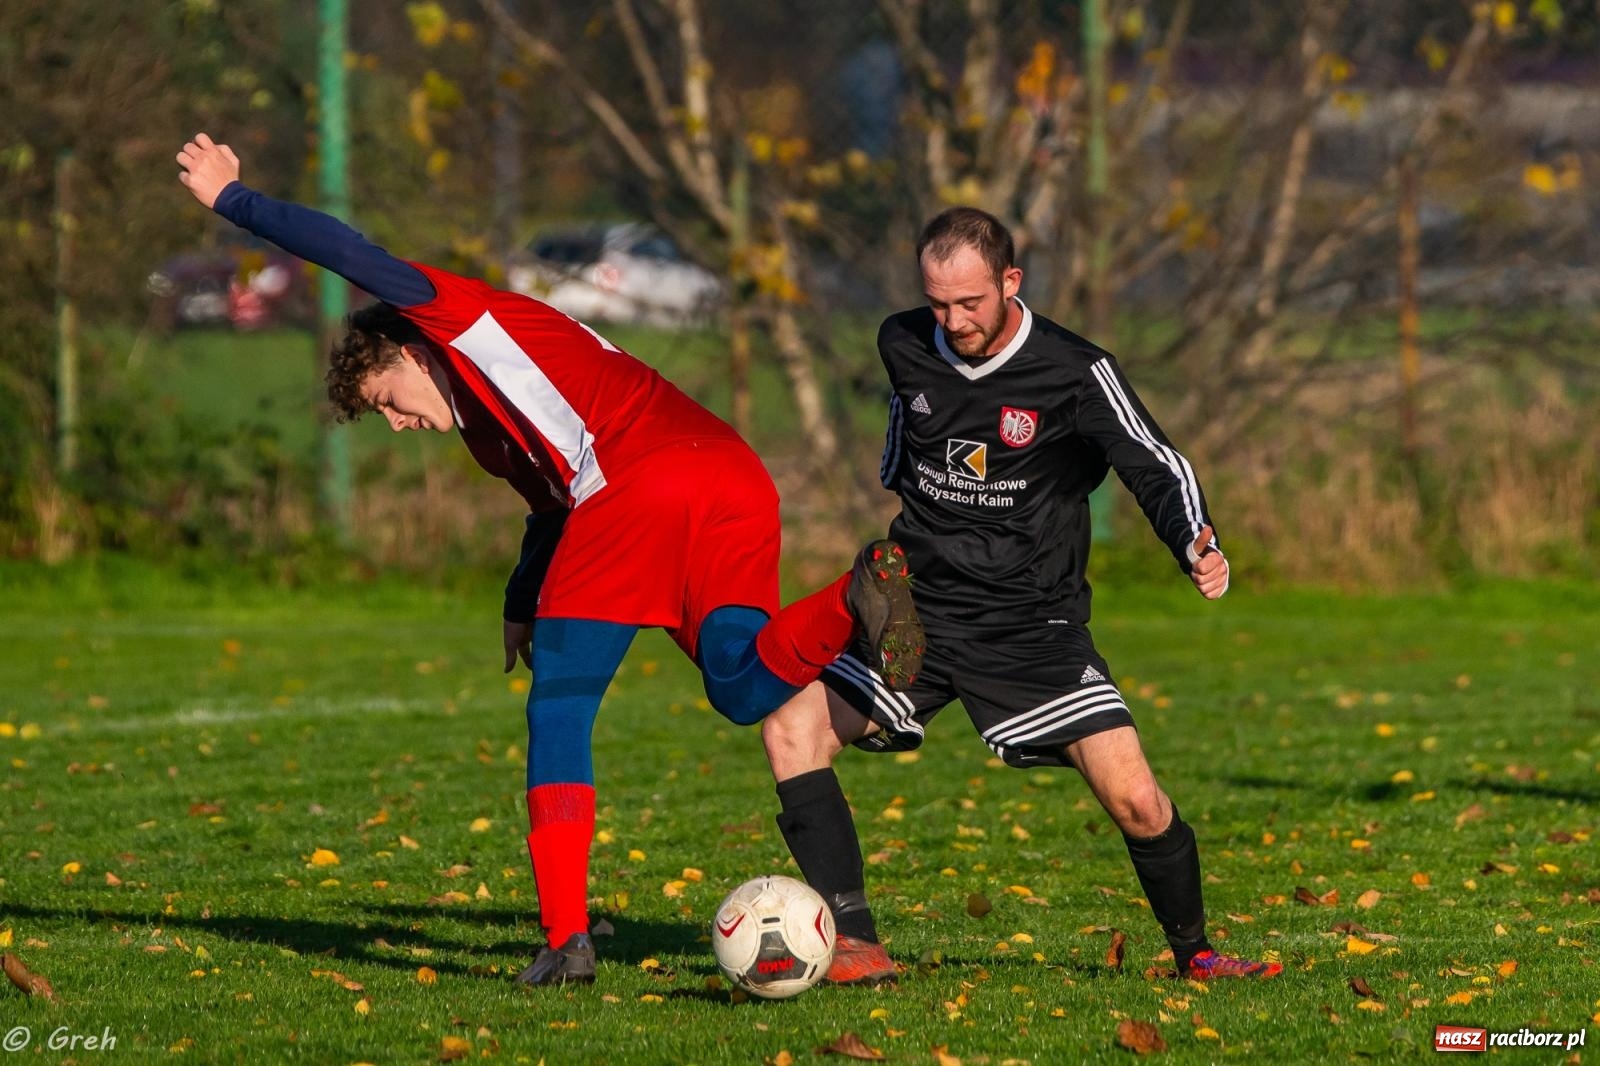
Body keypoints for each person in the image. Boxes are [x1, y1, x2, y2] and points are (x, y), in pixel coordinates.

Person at [174, 133, 924, 987]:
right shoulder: (492, 435)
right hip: (731, 477)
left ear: (412, 353)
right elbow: (547, 508)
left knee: (560, 710)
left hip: (640, 480)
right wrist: (521, 600)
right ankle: (857, 591)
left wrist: (233, 200)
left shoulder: (454, 316)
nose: (396, 422)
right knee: (742, 684)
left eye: (387, 400)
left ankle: (567, 940)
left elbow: (346, 252)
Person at [763, 206, 1281, 985]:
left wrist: (1192, 538)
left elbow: (1151, 459)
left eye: (970, 302)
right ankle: (859, 945)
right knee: (791, 731)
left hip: (1030, 624)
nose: (954, 320)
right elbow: (908, 435)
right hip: (919, 611)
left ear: (1011, 281)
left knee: (1137, 798)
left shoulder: (1074, 371)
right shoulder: (902, 340)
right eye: (938, 302)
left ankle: (1197, 954)